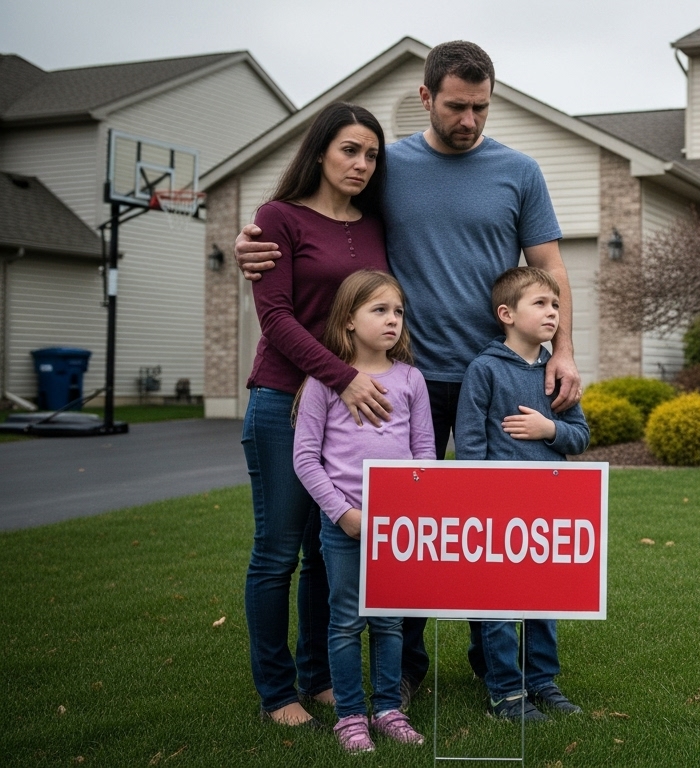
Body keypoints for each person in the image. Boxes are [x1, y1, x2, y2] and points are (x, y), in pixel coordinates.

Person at [236, 41, 583, 698]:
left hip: (494, 380)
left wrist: (562, 349)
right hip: (401, 383)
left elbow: (552, 266)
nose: (469, 120)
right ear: (426, 97)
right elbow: (314, 218)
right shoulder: (385, 165)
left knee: (493, 528)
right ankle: (405, 669)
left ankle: (501, 669)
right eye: (456, 106)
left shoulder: (520, 169)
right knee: (410, 529)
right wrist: (253, 242)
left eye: (481, 107)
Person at [241, 102, 394, 727]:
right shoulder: (277, 218)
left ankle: (319, 675)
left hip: (344, 411)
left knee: (324, 547)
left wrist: (358, 383)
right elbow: (275, 319)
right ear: (320, 152)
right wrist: (344, 377)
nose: (361, 164)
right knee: (277, 551)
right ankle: (277, 691)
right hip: (283, 400)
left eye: (371, 154)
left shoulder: (377, 223)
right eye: (349, 151)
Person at [293, 270, 433, 752]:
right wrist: (341, 514)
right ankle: (350, 716)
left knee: (391, 622)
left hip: (398, 528)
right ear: (349, 320)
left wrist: (414, 511)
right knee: (347, 621)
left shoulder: (411, 379)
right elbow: (305, 457)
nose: (392, 320)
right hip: (345, 527)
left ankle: (389, 707)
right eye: (379, 310)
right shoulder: (323, 382)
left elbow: (424, 453)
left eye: (397, 311)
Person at [454, 266, 589, 721]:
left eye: (555, 305)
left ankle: (540, 680)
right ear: (507, 313)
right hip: (495, 508)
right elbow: (470, 443)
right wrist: (478, 499)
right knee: (497, 600)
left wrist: (549, 428)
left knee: (542, 599)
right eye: (541, 304)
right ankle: (505, 691)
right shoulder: (484, 369)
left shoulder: (558, 372)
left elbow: (580, 437)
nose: (552, 312)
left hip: (547, 507)